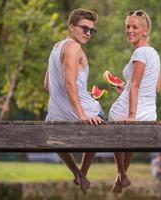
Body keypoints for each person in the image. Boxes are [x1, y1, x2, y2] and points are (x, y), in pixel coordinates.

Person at [44, 8, 104, 193]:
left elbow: (47, 84)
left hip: (54, 116)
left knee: (52, 131)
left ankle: (78, 173)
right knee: (100, 116)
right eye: (84, 28)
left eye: (91, 30)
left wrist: (83, 93)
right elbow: (69, 83)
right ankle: (83, 173)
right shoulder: (74, 47)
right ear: (71, 27)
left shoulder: (57, 47)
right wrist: (82, 115)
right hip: (83, 113)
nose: (88, 33)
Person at [108, 10, 161, 193]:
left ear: (145, 31)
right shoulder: (154, 54)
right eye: (128, 27)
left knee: (118, 126)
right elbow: (156, 88)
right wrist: (125, 89)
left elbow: (136, 86)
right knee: (129, 140)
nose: (130, 30)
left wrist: (131, 115)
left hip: (131, 112)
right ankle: (120, 178)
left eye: (135, 27)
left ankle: (121, 174)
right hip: (149, 113)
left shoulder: (140, 53)